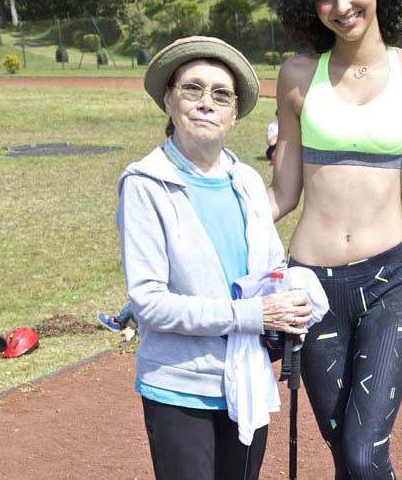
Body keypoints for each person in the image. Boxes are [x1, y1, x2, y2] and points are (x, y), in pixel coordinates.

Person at [269, 0, 402, 478]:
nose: (341, 6)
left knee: (366, 453)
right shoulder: (297, 76)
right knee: (347, 455)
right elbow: (283, 195)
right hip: (309, 290)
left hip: (392, 282)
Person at [118, 36, 313, 480]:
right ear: (169, 100)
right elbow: (149, 302)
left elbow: (267, 276)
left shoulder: (246, 182)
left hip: (246, 381)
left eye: (221, 94)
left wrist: (292, 301)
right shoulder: (145, 184)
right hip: (179, 387)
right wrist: (254, 314)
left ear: (234, 113)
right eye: (193, 89)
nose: (207, 103)